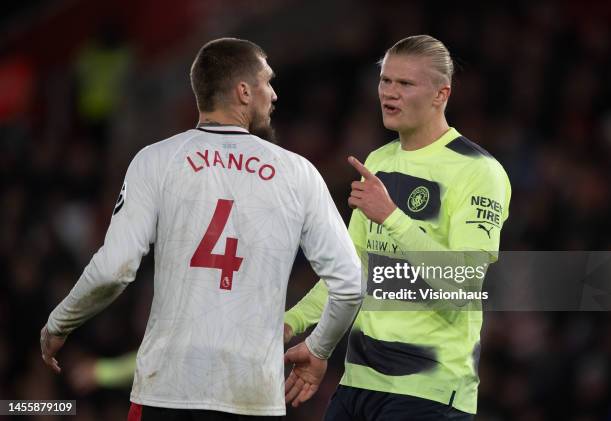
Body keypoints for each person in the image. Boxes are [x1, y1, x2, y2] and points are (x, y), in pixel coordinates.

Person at [40, 37, 365, 420]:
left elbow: (115, 268)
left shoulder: (156, 160)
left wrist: (60, 322)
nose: (274, 94)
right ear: (244, 91)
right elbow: (350, 282)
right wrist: (319, 350)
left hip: (168, 391)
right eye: (267, 82)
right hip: (253, 396)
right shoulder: (298, 173)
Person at [284, 35, 511, 420]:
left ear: (442, 94)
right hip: (359, 384)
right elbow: (350, 274)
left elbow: (464, 281)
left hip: (430, 391)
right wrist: (291, 325)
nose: (390, 93)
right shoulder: (379, 161)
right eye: (385, 81)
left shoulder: (478, 171)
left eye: (405, 84)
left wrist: (391, 216)